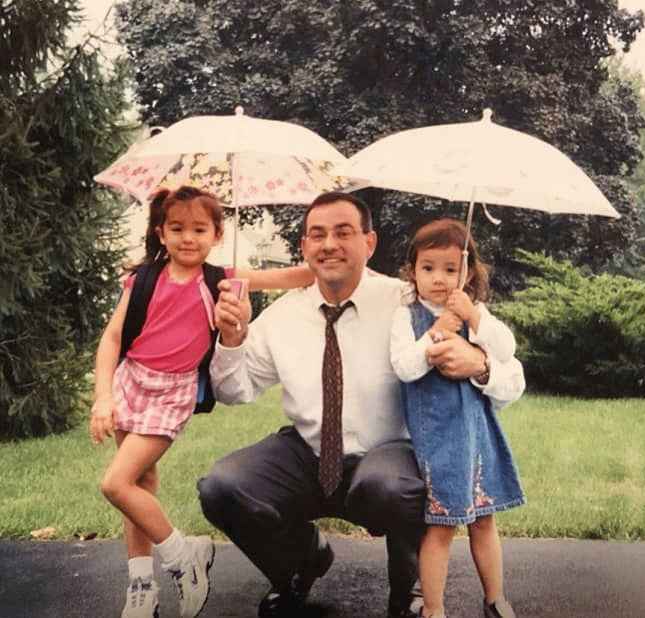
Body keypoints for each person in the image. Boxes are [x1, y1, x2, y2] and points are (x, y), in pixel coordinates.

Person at [199, 191, 525, 618]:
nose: (329, 244)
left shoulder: (409, 301)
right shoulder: (282, 316)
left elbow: (513, 378)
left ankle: (409, 588)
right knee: (221, 486)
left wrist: (480, 364)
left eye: (343, 232)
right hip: (309, 452)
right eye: (317, 235)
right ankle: (299, 561)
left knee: (391, 486)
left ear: (369, 243)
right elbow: (232, 391)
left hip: (389, 457)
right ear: (304, 247)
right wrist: (233, 338)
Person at [89, 185, 313, 618]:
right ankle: (141, 585)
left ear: (216, 234)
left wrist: (328, 267)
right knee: (137, 487)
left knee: (116, 484)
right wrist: (103, 397)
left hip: (172, 393)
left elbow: (288, 277)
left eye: (199, 229)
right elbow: (112, 339)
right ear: (161, 232)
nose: (188, 238)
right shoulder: (143, 279)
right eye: (177, 228)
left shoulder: (220, 280)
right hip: (130, 382)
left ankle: (182, 555)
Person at [390, 218, 525, 618]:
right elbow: (406, 368)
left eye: (451, 269)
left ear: (467, 273)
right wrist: (438, 330)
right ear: (413, 271)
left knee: (484, 520)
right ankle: (434, 609)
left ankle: (495, 598)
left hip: (478, 432)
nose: (439, 278)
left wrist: (474, 318)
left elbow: (506, 349)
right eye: (428, 267)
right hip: (439, 439)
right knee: (442, 525)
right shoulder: (407, 316)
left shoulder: (474, 311)